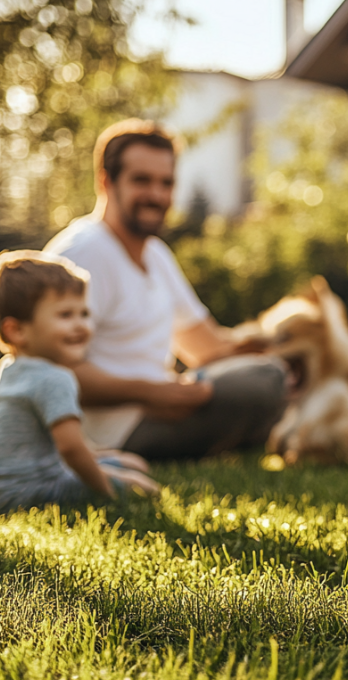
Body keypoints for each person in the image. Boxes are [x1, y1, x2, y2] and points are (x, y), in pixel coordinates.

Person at [44, 119, 288, 459]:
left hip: (159, 405)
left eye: (166, 183)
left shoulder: (156, 254)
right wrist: (149, 393)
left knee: (274, 371)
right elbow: (50, 372)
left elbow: (206, 347)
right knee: (264, 383)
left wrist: (284, 346)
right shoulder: (81, 255)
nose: (157, 195)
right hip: (110, 433)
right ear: (106, 182)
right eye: (141, 181)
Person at [0, 251, 158, 514]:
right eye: (65, 315)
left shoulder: (14, 368)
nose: (81, 325)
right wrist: (105, 488)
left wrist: (102, 456)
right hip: (25, 492)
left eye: (83, 313)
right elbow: (70, 449)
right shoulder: (54, 378)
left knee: (126, 462)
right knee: (141, 484)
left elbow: (67, 441)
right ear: (17, 330)